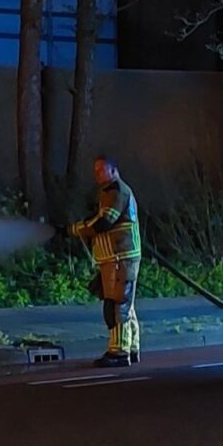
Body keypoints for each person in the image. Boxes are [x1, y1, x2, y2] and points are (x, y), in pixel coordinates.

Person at [68, 156, 141, 367]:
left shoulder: (116, 191)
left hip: (120, 258)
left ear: (113, 170)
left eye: (101, 170)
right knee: (126, 304)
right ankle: (132, 348)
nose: (97, 174)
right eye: (95, 170)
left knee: (116, 305)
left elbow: (104, 222)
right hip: (119, 258)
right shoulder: (112, 191)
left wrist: (75, 229)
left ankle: (118, 352)